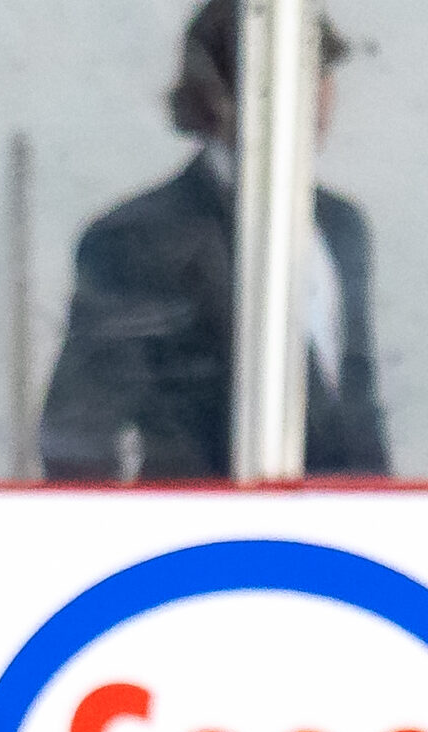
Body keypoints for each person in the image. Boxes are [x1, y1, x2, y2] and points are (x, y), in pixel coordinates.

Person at [40, 0, 389, 481]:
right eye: (294, 76)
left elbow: (357, 407)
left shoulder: (342, 225)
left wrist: (384, 511)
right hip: (199, 520)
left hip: (336, 522)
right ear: (221, 94)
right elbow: (81, 431)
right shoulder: (139, 238)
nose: (315, 95)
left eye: (319, 72)